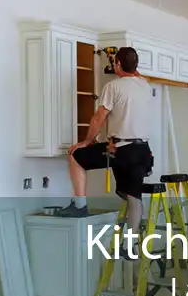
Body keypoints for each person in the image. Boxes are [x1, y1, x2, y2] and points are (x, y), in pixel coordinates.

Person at [56, 46, 154, 241]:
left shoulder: (113, 86)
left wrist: (87, 141)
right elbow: (133, 73)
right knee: (134, 196)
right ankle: (130, 244)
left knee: (76, 156)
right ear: (136, 65)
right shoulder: (145, 85)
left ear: (117, 64)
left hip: (119, 149)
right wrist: (122, 60)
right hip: (143, 151)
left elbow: (98, 118)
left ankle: (80, 205)